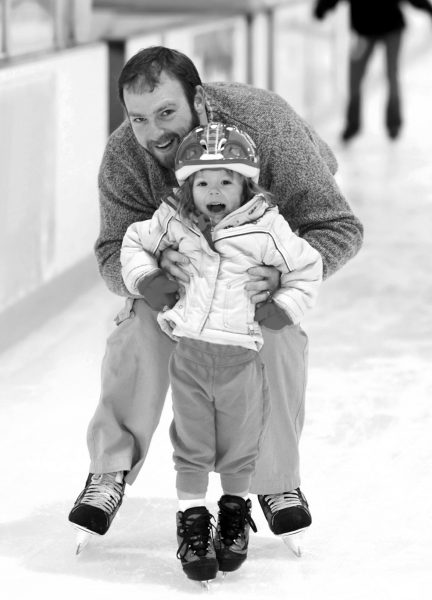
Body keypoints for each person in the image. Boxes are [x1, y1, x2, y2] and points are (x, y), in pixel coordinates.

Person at [68, 46, 363, 551]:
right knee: (140, 321)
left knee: (276, 332)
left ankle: (276, 481)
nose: (153, 132)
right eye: (137, 118)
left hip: (267, 241)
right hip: (182, 268)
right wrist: (147, 274)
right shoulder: (125, 155)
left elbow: (338, 226)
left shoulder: (264, 124)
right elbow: (113, 252)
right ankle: (110, 471)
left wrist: (279, 275)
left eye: (166, 113)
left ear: (199, 100)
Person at [119, 122, 323, 583]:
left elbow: (309, 267)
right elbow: (133, 243)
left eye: (226, 180)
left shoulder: (267, 229)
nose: (215, 191)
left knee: (240, 449)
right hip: (189, 357)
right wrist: (148, 278)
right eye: (203, 182)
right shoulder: (172, 219)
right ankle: (191, 526)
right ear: (188, 186)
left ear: (245, 184)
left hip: (242, 361)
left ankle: (234, 517)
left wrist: (283, 305)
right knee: (190, 448)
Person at [313, 0, 432, 141]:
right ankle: (353, 125)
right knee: (355, 79)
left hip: (391, 28)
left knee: (391, 75)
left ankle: (393, 124)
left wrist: (427, 8)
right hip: (364, 31)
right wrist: (322, 9)